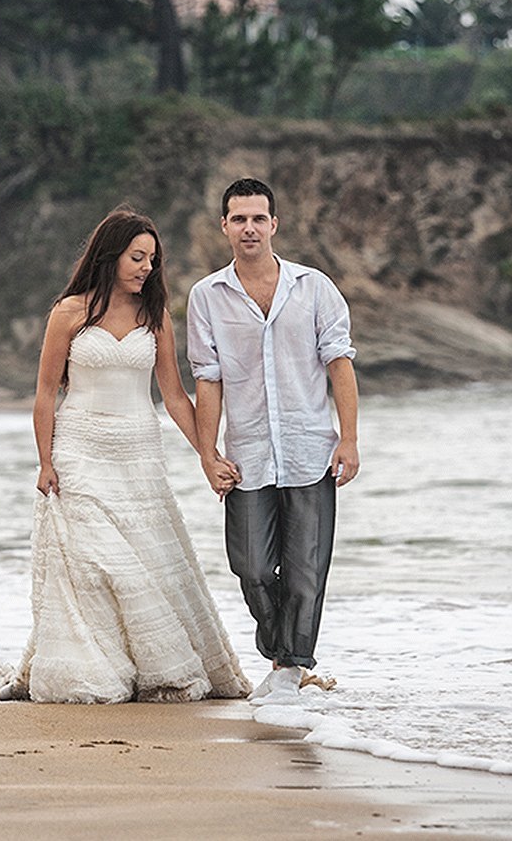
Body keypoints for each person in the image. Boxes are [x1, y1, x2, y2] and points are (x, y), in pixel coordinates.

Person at [0, 206, 250, 704]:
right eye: (137, 257)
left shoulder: (154, 315)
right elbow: (45, 393)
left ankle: (147, 665)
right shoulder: (70, 312)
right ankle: (96, 665)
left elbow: (176, 396)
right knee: (93, 561)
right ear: (111, 255)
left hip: (139, 451)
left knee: (144, 562)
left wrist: (208, 453)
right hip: (79, 448)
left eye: (152, 260)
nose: (146, 268)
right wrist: (46, 462)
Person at [186, 177, 359, 702]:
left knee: (307, 569)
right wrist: (207, 453)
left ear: (275, 224)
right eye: (239, 219)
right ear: (224, 226)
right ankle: (282, 647)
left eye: (258, 218)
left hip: (309, 448)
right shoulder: (207, 297)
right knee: (253, 568)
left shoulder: (314, 287)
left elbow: (340, 363)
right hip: (248, 456)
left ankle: (289, 668)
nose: (249, 228)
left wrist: (348, 439)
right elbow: (207, 379)